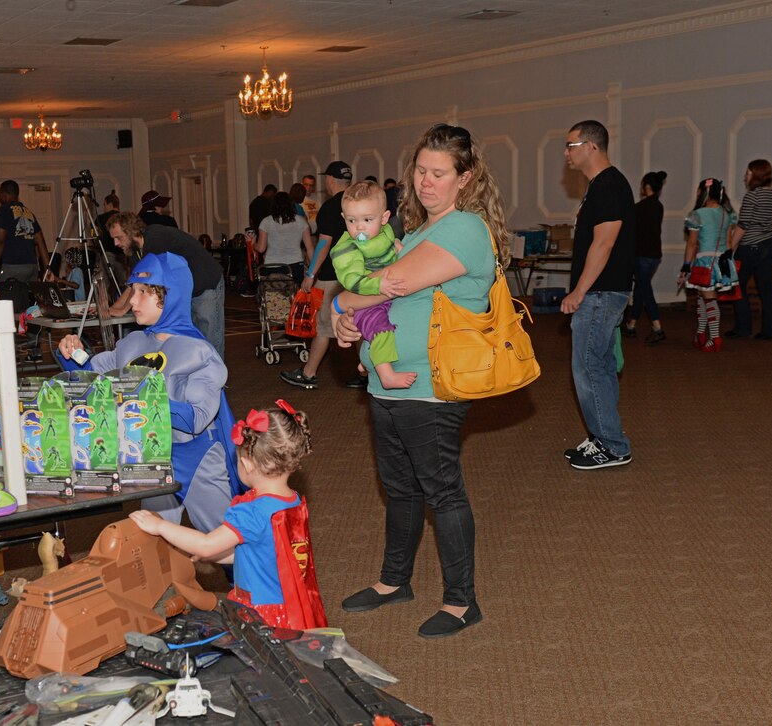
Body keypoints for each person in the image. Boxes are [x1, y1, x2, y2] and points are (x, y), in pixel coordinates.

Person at [330, 123, 506, 639]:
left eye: (439, 173)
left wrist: (342, 304)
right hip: (388, 383)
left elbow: (393, 284)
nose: (426, 182)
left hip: (431, 385)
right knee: (400, 487)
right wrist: (346, 316)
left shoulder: (463, 229)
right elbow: (382, 295)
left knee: (441, 489)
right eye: (420, 171)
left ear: (465, 179)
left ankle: (460, 602)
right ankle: (394, 581)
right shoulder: (415, 231)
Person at [57, 253, 239, 532]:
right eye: (134, 291)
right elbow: (90, 375)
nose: (132, 300)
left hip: (196, 457)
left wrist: (141, 399)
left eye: (143, 292)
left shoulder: (200, 351)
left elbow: (198, 417)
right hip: (149, 457)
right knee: (154, 548)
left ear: (170, 296)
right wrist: (71, 351)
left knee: (224, 543)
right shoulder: (132, 343)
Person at [129, 401, 325, 630]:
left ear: (246, 464)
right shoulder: (292, 501)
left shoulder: (252, 511)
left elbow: (205, 543)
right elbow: (264, 552)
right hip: (287, 605)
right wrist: (216, 556)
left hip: (262, 614)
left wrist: (160, 525)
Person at [561, 120, 634, 470]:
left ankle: (612, 445)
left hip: (601, 293)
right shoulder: (599, 186)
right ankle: (604, 437)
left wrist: (578, 291)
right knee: (600, 367)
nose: (566, 153)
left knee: (589, 368)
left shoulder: (608, 186)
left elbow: (604, 244)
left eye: (571, 145)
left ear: (591, 146)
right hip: (602, 292)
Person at [329, 180, 414, 388]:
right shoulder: (346, 248)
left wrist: (397, 248)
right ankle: (387, 376)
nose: (359, 227)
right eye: (351, 220)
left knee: (393, 327)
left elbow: (389, 243)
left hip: (383, 294)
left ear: (385, 218)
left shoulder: (384, 232)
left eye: (367, 219)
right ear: (344, 219)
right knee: (380, 330)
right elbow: (353, 281)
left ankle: (366, 362)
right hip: (365, 299)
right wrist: (378, 285)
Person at [106, 212, 226, 358]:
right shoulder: (135, 252)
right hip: (186, 292)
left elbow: (145, 280)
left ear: (131, 231)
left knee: (210, 338)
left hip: (206, 285)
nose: (116, 243)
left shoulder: (156, 238)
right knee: (190, 340)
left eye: (118, 237)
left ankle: (216, 379)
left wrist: (123, 309)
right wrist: (114, 308)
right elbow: (134, 284)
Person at [281, 161, 352, 390]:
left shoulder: (331, 207)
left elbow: (324, 243)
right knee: (359, 324)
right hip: (358, 275)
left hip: (332, 275)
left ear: (329, 180)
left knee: (323, 327)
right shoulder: (359, 201)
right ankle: (368, 373)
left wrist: (311, 274)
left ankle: (308, 373)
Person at [679, 178, 738, 351]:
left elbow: (691, 243)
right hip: (721, 261)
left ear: (702, 192)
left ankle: (714, 338)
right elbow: (728, 242)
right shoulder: (727, 214)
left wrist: (685, 266)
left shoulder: (698, 214)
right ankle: (700, 333)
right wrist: (729, 266)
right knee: (702, 297)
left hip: (704, 261)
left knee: (709, 299)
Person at [728, 159, 772, 340]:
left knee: (737, 285)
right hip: (771, 244)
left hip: (751, 247)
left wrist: (730, 249)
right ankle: (770, 330)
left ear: (756, 175)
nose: (745, 176)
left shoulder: (752, 196)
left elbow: (742, 225)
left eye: (748, 173)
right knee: (767, 288)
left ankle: (743, 328)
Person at [625, 171, 667, 344]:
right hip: (655, 255)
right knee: (641, 290)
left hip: (641, 255)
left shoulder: (638, 208)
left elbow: (631, 234)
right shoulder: (659, 206)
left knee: (645, 291)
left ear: (646, 186)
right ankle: (631, 326)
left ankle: (657, 328)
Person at [0, 180, 51, 285]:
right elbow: (41, 241)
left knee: (7, 298)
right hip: (32, 266)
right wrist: (48, 269)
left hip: (12, 266)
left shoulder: (3, 210)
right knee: (26, 299)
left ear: (4, 194)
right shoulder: (28, 212)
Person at [255, 191, 313, 285]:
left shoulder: (266, 222)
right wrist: (314, 269)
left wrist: (254, 244)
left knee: (274, 297)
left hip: (272, 265)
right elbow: (309, 247)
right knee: (295, 295)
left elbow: (261, 248)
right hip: (296, 265)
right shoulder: (301, 221)